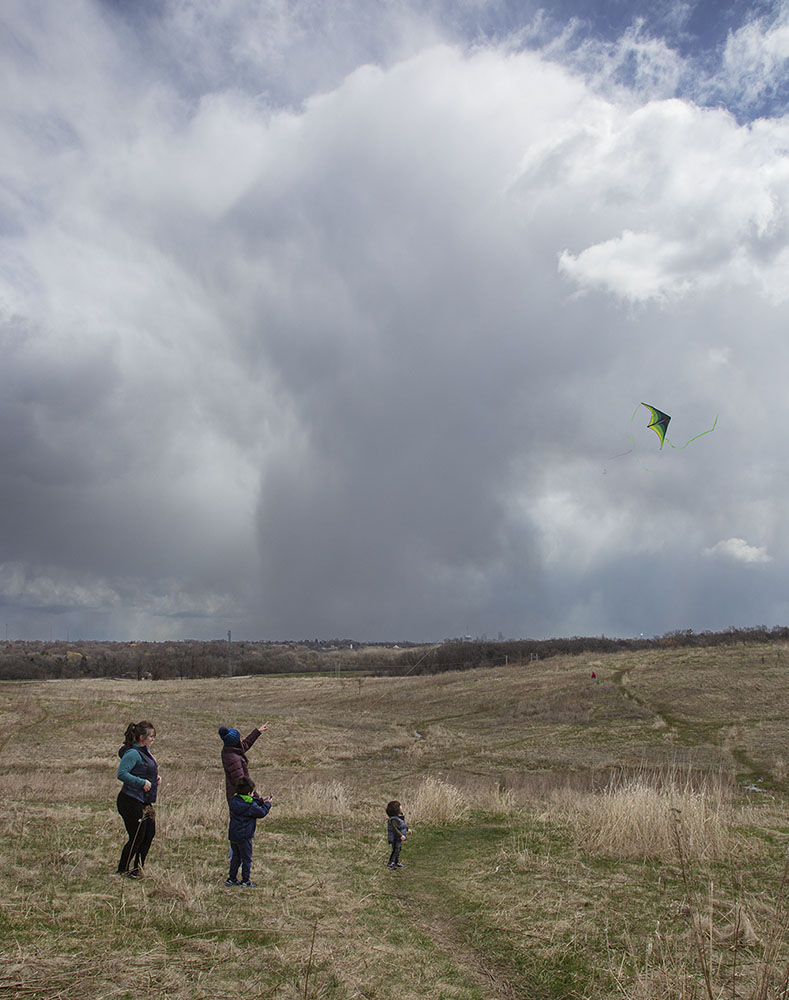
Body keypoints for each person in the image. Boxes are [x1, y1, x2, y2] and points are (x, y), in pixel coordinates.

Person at [116, 720, 160, 878]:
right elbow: (122, 774)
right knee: (137, 835)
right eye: (151, 736)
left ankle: (138, 868)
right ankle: (122, 869)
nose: (153, 739)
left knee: (150, 833)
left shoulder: (145, 752)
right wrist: (142, 782)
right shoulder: (133, 753)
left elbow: (144, 770)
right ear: (142, 737)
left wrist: (155, 778)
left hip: (146, 801)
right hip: (130, 800)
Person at [226, 777, 273, 888]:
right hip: (245, 837)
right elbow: (261, 812)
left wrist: (261, 800)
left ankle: (231, 879)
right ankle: (245, 881)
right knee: (246, 859)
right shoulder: (250, 806)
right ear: (248, 793)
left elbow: (249, 800)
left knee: (236, 857)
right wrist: (268, 804)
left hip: (233, 835)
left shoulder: (233, 800)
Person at [219, 723, 268, 802]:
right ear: (236, 742)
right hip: (240, 798)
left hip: (241, 797)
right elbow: (242, 783)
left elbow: (245, 744)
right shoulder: (233, 759)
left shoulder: (231, 750)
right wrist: (258, 799)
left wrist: (258, 731)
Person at [386, 799, 412, 869]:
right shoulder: (393, 820)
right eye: (400, 806)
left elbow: (403, 825)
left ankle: (396, 862)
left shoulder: (399, 818)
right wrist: (401, 835)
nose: (401, 807)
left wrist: (407, 829)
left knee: (398, 849)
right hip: (395, 838)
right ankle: (390, 863)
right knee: (395, 849)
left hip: (399, 838)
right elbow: (394, 829)